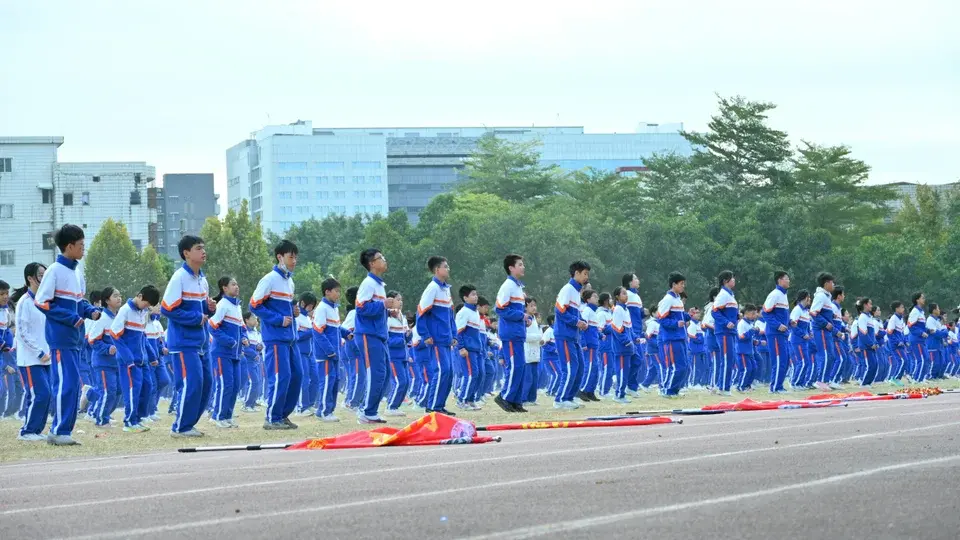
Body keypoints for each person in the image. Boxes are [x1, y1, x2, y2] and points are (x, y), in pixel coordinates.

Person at [34, 224, 101, 446]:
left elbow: (79, 301)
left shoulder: (76, 271)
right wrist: (70, 317)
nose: (84, 248)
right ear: (69, 246)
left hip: (75, 339)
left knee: (73, 384)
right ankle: (58, 431)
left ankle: (64, 430)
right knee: (66, 384)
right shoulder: (54, 270)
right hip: (61, 338)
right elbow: (42, 302)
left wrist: (90, 311)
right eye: (81, 245)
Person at [161, 235, 216, 438]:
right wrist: (196, 317)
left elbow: (203, 313)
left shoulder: (202, 280)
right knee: (191, 383)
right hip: (184, 343)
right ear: (186, 253)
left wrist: (209, 308)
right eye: (198, 248)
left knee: (206, 384)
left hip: (201, 342)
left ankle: (189, 424)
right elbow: (167, 309)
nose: (203, 251)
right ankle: (180, 427)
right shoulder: (179, 278)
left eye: (203, 247)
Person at [250, 239, 301, 430]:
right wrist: (279, 319)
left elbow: (287, 309)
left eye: (296, 257)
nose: (294, 260)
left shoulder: (290, 282)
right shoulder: (269, 279)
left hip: (290, 339)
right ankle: (272, 418)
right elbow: (254, 305)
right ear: (280, 257)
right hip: (276, 338)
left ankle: (282, 415)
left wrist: (294, 313)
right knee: (281, 376)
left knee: (297, 376)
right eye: (290, 257)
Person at [110, 285, 161, 433]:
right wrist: (128, 358)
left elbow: (142, 337)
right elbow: (114, 333)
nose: (146, 307)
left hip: (142, 360)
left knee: (148, 386)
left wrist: (152, 356)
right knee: (133, 390)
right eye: (145, 303)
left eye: (149, 306)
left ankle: (138, 419)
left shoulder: (142, 312)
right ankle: (129, 422)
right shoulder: (126, 310)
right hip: (129, 361)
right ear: (139, 296)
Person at [11, 263, 50, 440]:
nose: (44, 278)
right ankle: (27, 432)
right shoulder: (24, 302)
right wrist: (39, 352)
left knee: (46, 394)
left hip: (47, 358)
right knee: (39, 394)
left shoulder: (45, 301)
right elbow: (22, 333)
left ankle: (36, 430)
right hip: (30, 359)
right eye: (41, 275)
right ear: (30, 278)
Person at [355, 248, 395, 424]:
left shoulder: (379, 284)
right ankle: (366, 411)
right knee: (375, 373)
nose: (384, 260)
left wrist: (386, 311)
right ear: (372, 264)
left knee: (384, 373)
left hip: (379, 334)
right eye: (380, 258)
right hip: (368, 334)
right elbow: (361, 308)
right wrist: (382, 305)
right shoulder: (368, 283)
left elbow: (376, 308)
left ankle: (372, 410)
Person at [416, 256, 457, 415]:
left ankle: (439, 406)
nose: (448, 269)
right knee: (442, 371)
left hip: (446, 339)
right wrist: (425, 334)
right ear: (436, 270)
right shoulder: (432, 288)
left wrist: (454, 334)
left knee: (449, 372)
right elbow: (421, 312)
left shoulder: (446, 289)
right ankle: (432, 407)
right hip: (436, 338)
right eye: (445, 266)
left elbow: (450, 316)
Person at [553, 261, 591, 410]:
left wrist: (581, 321)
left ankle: (569, 397)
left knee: (580, 367)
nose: (586, 277)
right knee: (570, 368)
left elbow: (575, 312)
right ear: (576, 273)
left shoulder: (576, 292)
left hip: (574, 336)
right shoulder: (567, 289)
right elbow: (560, 311)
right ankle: (560, 399)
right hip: (564, 335)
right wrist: (576, 322)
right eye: (585, 273)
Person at [494, 254, 529, 413]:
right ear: (511, 268)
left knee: (521, 366)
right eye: (520, 264)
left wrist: (524, 319)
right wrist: (521, 316)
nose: (523, 267)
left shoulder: (518, 287)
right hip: (510, 333)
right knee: (514, 366)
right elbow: (500, 309)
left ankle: (516, 400)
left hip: (518, 332)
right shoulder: (507, 285)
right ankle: (505, 397)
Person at [208, 277, 244, 428]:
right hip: (222, 352)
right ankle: (217, 416)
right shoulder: (222, 305)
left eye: (237, 284)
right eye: (233, 284)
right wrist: (230, 341)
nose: (237, 287)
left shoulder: (237, 307)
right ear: (224, 288)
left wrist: (244, 338)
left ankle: (227, 416)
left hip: (235, 354)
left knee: (235, 385)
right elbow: (212, 326)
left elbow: (242, 328)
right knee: (225, 384)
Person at [312, 277, 342, 422]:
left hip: (335, 353)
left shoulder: (334, 309)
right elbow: (318, 332)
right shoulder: (322, 309)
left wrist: (346, 333)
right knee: (327, 381)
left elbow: (335, 329)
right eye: (336, 291)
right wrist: (329, 350)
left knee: (335, 381)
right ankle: (324, 411)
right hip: (326, 354)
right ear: (327, 292)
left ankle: (327, 410)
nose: (338, 294)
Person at [656, 272, 689, 397]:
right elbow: (662, 319)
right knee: (676, 367)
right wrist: (676, 324)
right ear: (674, 284)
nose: (683, 286)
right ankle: (667, 390)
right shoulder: (668, 299)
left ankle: (675, 390)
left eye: (683, 284)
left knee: (684, 366)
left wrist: (687, 316)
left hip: (680, 337)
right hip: (671, 338)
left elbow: (679, 316)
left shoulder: (677, 299)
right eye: (681, 284)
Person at [454, 284, 486, 411]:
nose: (476, 296)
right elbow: (459, 332)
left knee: (479, 374)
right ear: (465, 298)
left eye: (476, 294)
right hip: (467, 349)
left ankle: (471, 399)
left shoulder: (476, 312)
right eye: (472, 294)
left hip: (476, 349)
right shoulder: (463, 312)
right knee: (471, 375)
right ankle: (462, 400)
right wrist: (461, 347)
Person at [762, 271, 791, 393]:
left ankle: (779, 385)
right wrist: (778, 325)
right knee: (779, 360)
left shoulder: (784, 295)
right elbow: (765, 313)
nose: (789, 281)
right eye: (786, 278)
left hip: (782, 334)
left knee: (785, 360)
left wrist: (790, 323)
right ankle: (774, 387)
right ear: (780, 280)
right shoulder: (775, 294)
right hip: (775, 333)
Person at [809, 272, 838, 391]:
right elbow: (813, 312)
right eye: (832, 283)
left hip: (827, 331)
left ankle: (826, 380)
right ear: (826, 283)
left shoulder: (827, 297)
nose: (834, 285)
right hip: (821, 330)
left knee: (831, 355)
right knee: (825, 355)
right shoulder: (820, 296)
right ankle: (820, 381)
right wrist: (826, 324)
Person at [711, 271, 738, 396]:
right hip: (724, 331)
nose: (734, 280)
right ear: (725, 281)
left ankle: (724, 386)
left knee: (729, 359)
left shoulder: (730, 295)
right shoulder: (723, 295)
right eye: (732, 278)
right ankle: (723, 388)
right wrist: (726, 322)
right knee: (727, 359)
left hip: (730, 331)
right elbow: (715, 312)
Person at [386, 291, 412, 416]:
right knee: (399, 381)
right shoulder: (387, 318)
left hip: (403, 355)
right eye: (397, 299)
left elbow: (405, 339)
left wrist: (408, 335)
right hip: (393, 356)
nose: (400, 302)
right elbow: (385, 339)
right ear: (390, 301)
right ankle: (391, 406)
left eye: (401, 299)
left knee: (406, 381)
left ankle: (396, 406)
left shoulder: (402, 317)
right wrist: (400, 340)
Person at [609, 286, 635, 404]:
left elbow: (629, 327)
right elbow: (616, 328)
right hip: (621, 347)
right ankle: (619, 395)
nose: (626, 295)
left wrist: (635, 338)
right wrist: (626, 341)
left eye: (626, 293)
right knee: (622, 371)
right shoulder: (618, 309)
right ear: (617, 297)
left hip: (628, 346)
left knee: (626, 370)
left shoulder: (626, 310)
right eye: (623, 293)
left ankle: (622, 391)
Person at [294, 292, 318, 416]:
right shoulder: (297, 318)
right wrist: (311, 332)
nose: (311, 309)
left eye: (313, 307)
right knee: (304, 380)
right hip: (300, 353)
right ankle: (301, 408)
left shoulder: (308, 319)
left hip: (310, 353)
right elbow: (296, 337)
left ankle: (310, 404)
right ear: (303, 303)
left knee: (315, 378)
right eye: (310, 306)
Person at [622, 274, 645, 396]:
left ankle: (630, 386)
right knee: (635, 359)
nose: (638, 280)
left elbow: (639, 315)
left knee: (638, 360)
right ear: (630, 282)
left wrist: (644, 313)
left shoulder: (636, 296)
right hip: (630, 331)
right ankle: (625, 384)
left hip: (637, 331)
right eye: (636, 278)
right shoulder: (627, 295)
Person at [578, 289, 602, 402]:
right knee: (590, 367)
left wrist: (600, 335)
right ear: (588, 299)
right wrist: (583, 343)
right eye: (594, 296)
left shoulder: (594, 312)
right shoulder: (586, 311)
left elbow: (594, 329)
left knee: (595, 369)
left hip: (595, 343)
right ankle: (582, 390)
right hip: (589, 345)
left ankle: (590, 391)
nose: (597, 299)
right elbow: (582, 328)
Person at [789, 290, 813, 389]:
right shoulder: (797, 309)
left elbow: (807, 326)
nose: (810, 299)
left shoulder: (806, 311)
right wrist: (803, 334)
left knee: (807, 362)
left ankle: (801, 383)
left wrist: (809, 332)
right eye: (809, 297)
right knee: (802, 362)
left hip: (804, 341)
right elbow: (793, 325)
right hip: (797, 340)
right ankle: (795, 383)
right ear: (805, 298)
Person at [241, 312, 264, 412]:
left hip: (256, 360)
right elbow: (244, 348)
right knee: (253, 382)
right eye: (253, 318)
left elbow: (257, 346)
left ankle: (252, 404)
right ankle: (247, 405)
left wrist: (259, 348)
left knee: (258, 382)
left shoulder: (255, 332)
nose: (256, 320)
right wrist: (254, 354)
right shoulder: (244, 331)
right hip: (248, 361)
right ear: (247, 320)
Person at [520, 297, 542, 407]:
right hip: (527, 351)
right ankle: (524, 399)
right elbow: (524, 336)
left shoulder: (533, 318)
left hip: (535, 351)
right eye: (531, 305)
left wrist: (540, 340)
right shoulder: (525, 319)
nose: (534, 308)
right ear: (525, 307)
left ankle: (532, 398)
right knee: (527, 377)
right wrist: (539, 337)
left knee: (534, 377)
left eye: (535, 305)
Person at [855, 298, 879, 386]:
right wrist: (871, 344)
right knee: (869, 365)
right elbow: (863, 334)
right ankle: (864, 384)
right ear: (865, 305)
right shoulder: (862, 317)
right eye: (870, 304)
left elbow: (872, 334)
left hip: (871, 346)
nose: (871, 306)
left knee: (875, 365)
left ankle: (868, 383)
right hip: (865, 346)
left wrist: (875, 343)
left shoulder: (869, 317)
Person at [735, 304, 759, 392]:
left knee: (754, 368)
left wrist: (756, 337)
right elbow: (740, 337)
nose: (754, 316)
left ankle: (747, 386)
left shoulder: (750, 323)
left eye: (755, 314)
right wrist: (751, 331)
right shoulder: (742, 323)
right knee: (746, 369)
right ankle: (740, 387)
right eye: (753, 314)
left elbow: (750, 338)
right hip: (742, 351)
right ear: (746, 313)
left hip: (750, 351)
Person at [596, 293, 615, 398]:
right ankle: (603, 391)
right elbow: (600, 329)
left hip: (611, 344)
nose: (612, 300)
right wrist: (614, 326)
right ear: (606, 301)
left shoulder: (609, 312)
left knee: (610, 369)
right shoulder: (601, 314)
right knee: (606, 368)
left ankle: (606, 388)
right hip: (605, 344)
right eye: (610, 298)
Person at [907, 292, 928, 382]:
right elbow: (910, 325)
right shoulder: (915, 311)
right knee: (921, 359)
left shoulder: (921, 311)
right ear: (917, 300)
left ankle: (921, 378)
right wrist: (921, 333)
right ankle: (916, 379)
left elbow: (921, 326)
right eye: (922, 298)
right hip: (916, 339)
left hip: (921, 339)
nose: (924, 299)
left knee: (926, 358)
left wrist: (927, 330)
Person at [886, 301, 908, 386]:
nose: (903, 309)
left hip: (901, 344)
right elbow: (889, 333)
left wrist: (905, 341)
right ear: (897, 309)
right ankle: (894, 378)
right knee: (902, 360)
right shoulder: (893, 318)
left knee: (905, 360)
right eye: (902, 307)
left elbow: (901, 332)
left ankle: (896, 378)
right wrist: (897, 342)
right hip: (895, 345)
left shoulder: (901, 318)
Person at [925, 303, 948, 380]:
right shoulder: (930, 320)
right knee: (934, 362)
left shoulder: (937, 320)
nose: (939, 310)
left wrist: (943, 332)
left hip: (939, 344)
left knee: (941, 362)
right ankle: (930, 376)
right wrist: (943, 332)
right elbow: (936, 333)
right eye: (938, 308)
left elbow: (944, 332)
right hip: (932, 344)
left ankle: (937, 376)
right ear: (934, 310)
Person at [686, 306, 706, 389]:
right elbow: (691, 337)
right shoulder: (692, 325)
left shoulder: (698, 324)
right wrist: (700, 339)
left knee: (700, 367)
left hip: (701, 350)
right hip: (694, 350)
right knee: (694, 367)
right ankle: (692, 383)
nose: (698, 314)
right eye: (696, 313)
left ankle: (697, 382)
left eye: (699, 313)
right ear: (691, 314)